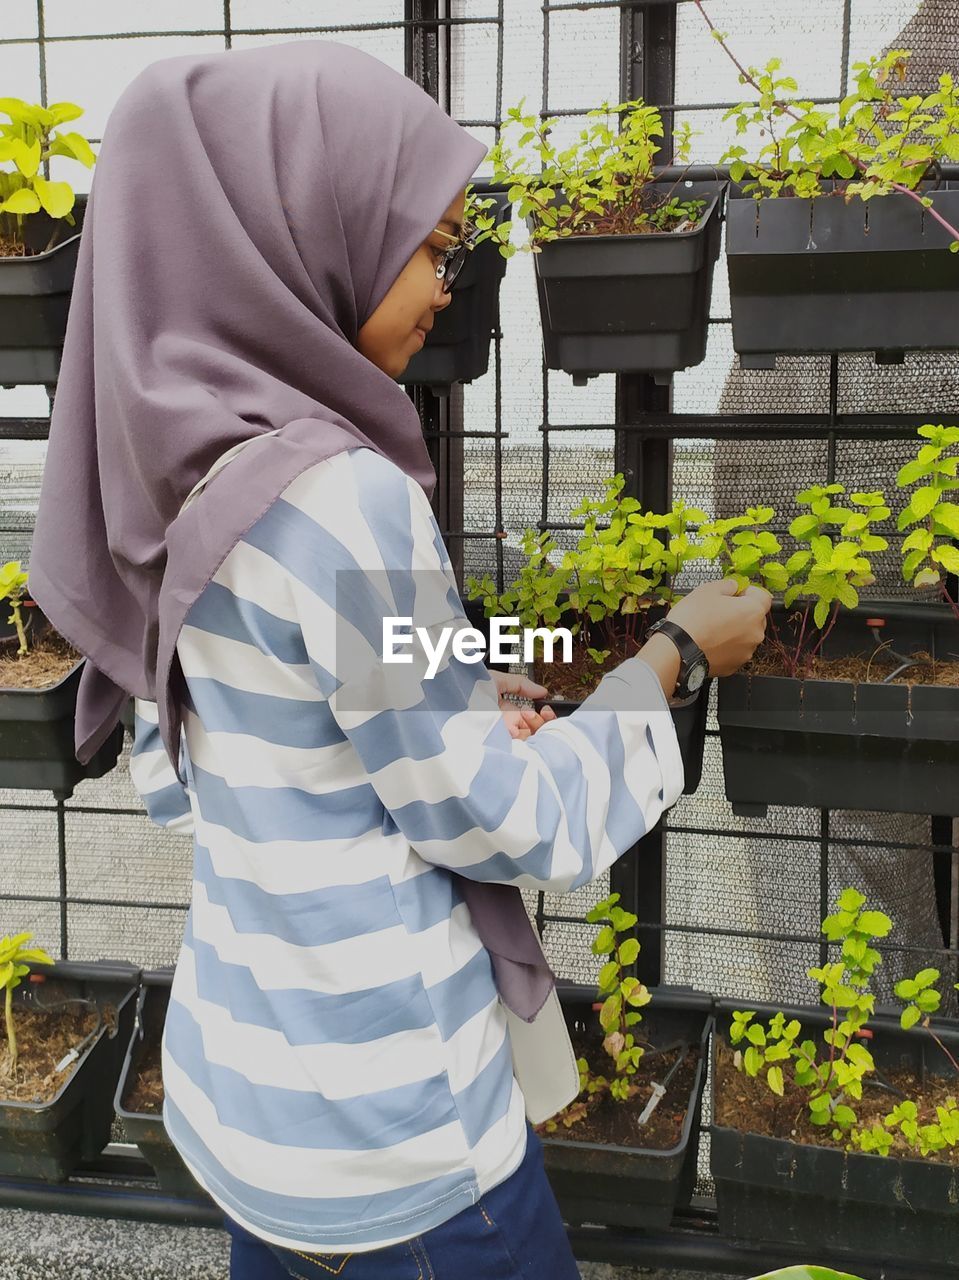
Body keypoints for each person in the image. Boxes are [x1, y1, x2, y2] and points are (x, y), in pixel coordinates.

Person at [28, 40, 770, 1280]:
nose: (446, 282)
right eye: (424, 249)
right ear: (300, 235)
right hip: (401, 1152)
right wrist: (671, 657)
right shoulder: (342, 498)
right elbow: (504, 817)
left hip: (255, 1116)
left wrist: (456, 683)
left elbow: (203, 762)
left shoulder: (181, 472)